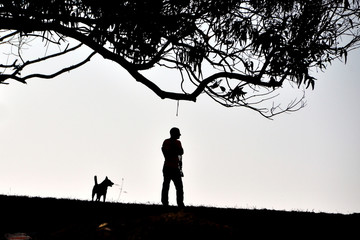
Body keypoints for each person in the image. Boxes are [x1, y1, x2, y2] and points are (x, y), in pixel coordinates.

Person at [161, 127, 185, 207]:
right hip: (169, 167)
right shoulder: (167, 142)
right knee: (167, 186)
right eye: (178, 134)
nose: (179, 136)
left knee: (179, 187)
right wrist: (175, 150)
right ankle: (165, 203)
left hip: (175, 167)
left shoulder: (178, 142)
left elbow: (181, 152)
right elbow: (167, 153)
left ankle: (180, 203)